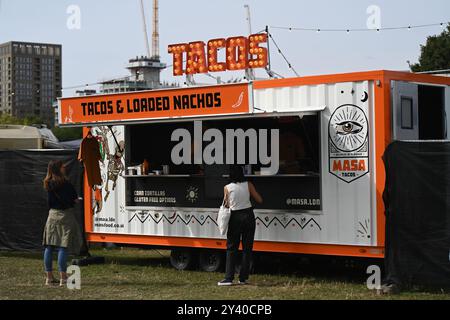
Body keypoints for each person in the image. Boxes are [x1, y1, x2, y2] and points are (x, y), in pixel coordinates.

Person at [218, 165, 263, 286]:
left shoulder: (227, 188)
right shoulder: (248, 184)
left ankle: (228, 278)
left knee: (232, 248)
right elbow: (259, 199)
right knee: (247, 248)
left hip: (235, 218)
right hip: (249, 216)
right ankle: (243, 278)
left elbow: (226, 204)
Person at [42, 160, 82, 287]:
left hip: (52, 215)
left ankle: (49, 278)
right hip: (65, 216)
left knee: (49, 246)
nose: (64, 166)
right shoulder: (66, 184)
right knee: (63, 247)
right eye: (62, 165)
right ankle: (63, 278)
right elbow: (74, 199)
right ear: (58, 169)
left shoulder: (47, 183)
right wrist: (76, 201)